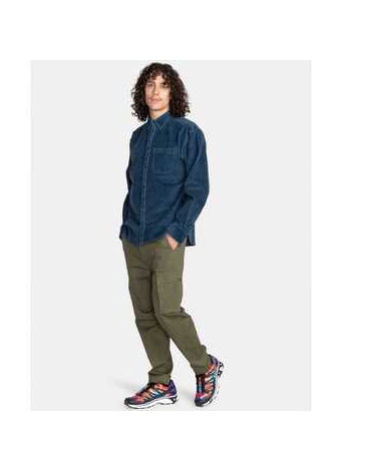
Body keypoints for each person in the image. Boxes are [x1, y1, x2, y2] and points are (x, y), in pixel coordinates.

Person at [119, 62, 224, 409]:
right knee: (144, 314)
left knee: (167, 310)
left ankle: (205, 366)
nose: (155, 91)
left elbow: (198, 188)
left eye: (163, 85)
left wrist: (177, 232)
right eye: (150, 84)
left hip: (167, 238)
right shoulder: (138, 137)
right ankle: (161, 381)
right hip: (133, 237)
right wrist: (126, 227)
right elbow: (132, 186)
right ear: (142, 92)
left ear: (173, 91)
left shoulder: (187, 133)